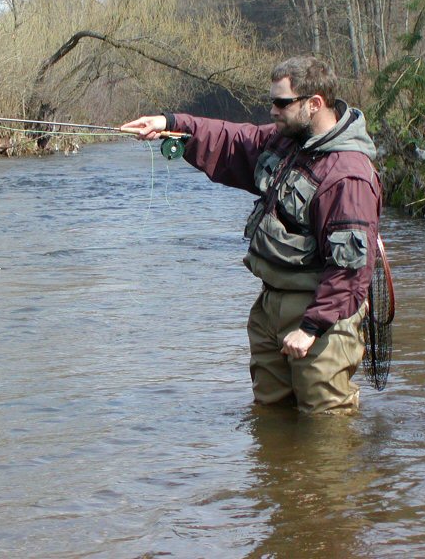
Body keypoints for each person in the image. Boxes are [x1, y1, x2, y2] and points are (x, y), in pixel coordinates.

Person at [122, 56, 381, 414]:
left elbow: (350, 270)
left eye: (281, 102)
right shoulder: (288, 142)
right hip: (271, 306)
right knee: (270, 417)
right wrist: (171, 124)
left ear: (315, 103)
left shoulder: (348, 174)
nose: (272, 110)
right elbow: (233, 141)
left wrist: (310, 327)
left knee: (327, 426)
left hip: (321, 318)